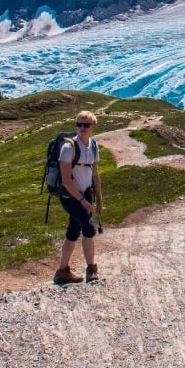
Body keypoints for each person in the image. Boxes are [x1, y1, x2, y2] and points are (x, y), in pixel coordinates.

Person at [53, 110, 105, 285]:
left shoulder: (94, 145)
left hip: (86, 194)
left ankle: (62, 271)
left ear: (93, 127)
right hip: (70, 196)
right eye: (79, 124)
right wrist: (83, 202)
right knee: (89, 228)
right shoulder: (69, 148)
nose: (82, 128)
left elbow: (95, 174)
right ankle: (91, 269)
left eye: (86, 124)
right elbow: (66, 180)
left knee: (73, 231)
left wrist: (99, 199)